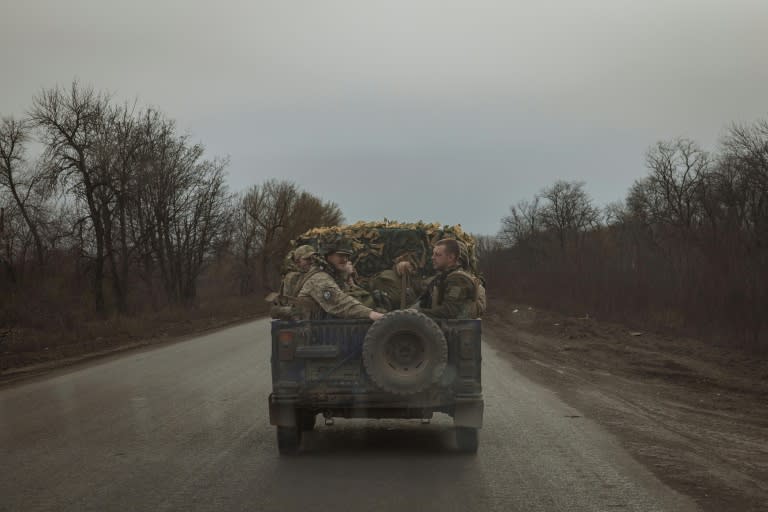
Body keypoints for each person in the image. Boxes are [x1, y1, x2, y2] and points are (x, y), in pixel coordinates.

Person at [295, 241, 384, 321]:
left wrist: (348, 277)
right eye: (340, 256)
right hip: (310, 332)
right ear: (328, 256)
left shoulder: (334, 276)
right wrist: (371, 314)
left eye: (347, 256)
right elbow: (339, 302)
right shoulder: (319, 278)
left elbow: (355, 296)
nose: (345, 259)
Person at [395, 238, 484, 319]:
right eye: (433, 254)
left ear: (451, 258)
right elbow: (424, 301)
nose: (432, 258)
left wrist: (415, 314)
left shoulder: (459, 279)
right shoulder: (443, 277)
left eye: (437, 255)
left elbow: (449, 312)